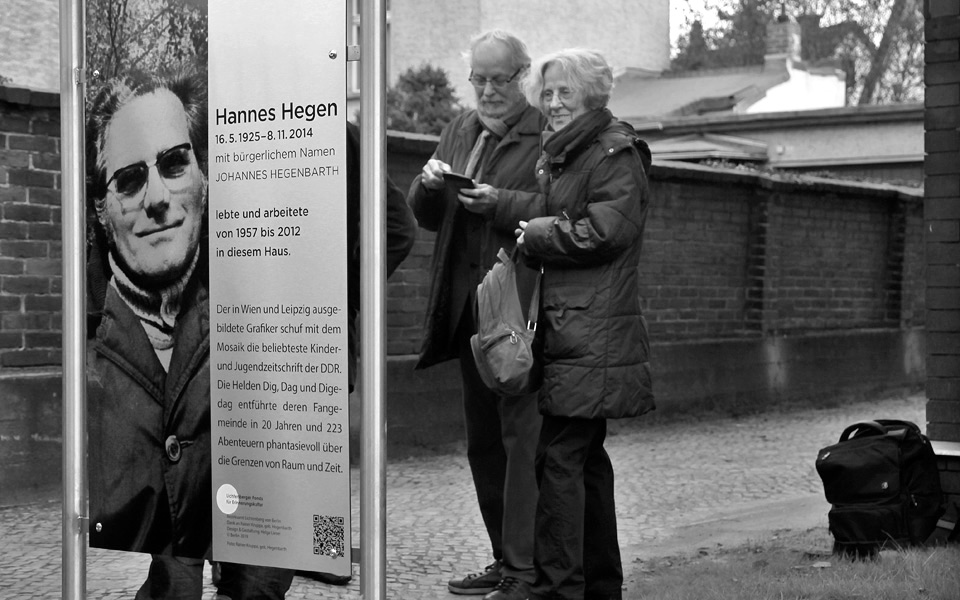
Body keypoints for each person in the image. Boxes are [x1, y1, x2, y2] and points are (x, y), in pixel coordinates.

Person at [85, 71, 415, 599]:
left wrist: (332, 296)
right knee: (257, 516)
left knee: (217, 524)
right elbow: (398, 229)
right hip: (274, 353)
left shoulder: (257, 129)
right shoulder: (323, 131)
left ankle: (274, 557)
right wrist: (333, 297)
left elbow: (397, 229)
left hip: (262, 357)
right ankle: (265, 560)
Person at [407, 30, 546, 600]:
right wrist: (428, 186)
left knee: (521, 443)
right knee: (483, 443)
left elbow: (558, 207)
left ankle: (526, 570)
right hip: (468, 312)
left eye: (499, 80)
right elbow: (425, 216)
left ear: (523, 76)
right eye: (478, 80)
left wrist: (499, 203)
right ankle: (502, 558)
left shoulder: (544, 131)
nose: (487, 91)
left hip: (515, 311)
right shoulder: (460, 128)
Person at [515, 48, 655, 600]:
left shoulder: (614, 152)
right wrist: (535, 230)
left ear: (592, 95)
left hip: (593, 333)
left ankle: (560, 590)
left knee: (559, 458)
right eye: (547, 92)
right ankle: (599, 587)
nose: (552, 103)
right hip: (574, 329)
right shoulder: (567, 152)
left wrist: (539, 233)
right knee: (584, 461)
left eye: (564, 92)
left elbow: (605, 231)